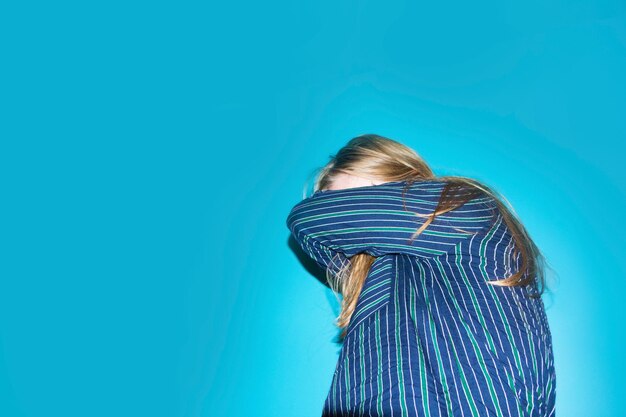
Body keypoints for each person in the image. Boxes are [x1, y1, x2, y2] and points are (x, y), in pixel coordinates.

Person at [286, 134, 556, 417]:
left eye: (367, 198)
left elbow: (307, 220)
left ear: (409, 183)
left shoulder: (463, 208)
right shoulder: (377, 281)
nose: (357, 216)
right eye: (342, 204)